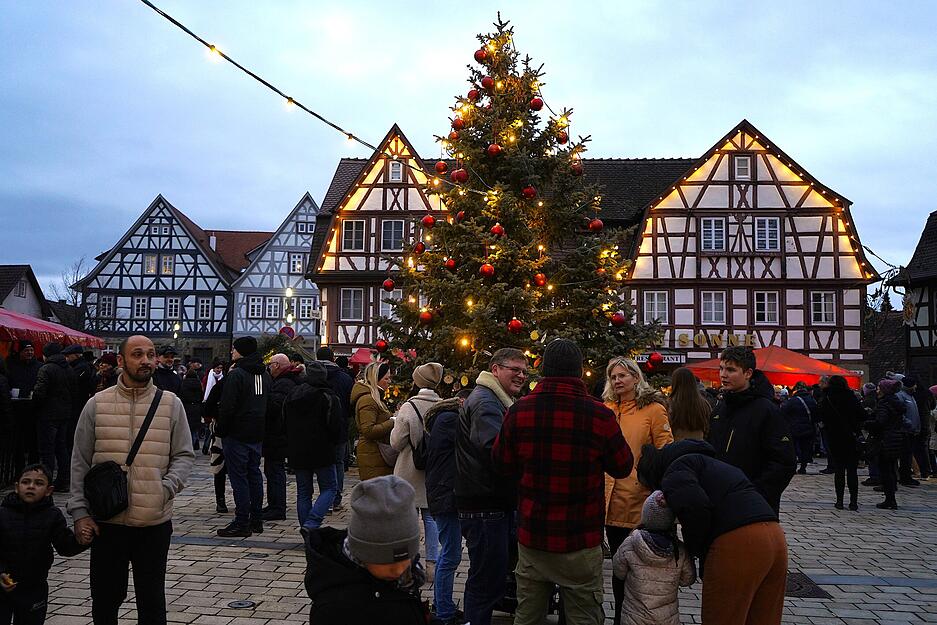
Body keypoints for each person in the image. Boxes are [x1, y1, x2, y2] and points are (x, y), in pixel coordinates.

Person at [494, 339, 634, 625]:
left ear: (543, 370)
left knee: (528, 615)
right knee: (584, 615)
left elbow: (500, 464)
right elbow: (623, 466)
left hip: (534, 535)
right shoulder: (600, 415)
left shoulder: (519, 411)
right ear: (580, 372)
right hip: (580, 538)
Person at [68, 334, 195, 625]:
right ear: (122, 360)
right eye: (137, 355)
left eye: (150, 354)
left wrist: (165, 489)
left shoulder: (171, 404)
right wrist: (79, 513)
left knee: (152, 602)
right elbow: (79, 461)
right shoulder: (97, 404)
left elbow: (184, 455)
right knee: (105, 600)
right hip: (107, 521)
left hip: (153, 522)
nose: (146, 361)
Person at [638, 440, 786, 625]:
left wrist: (694, 550)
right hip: (775, 536)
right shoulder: (710, 464)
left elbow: (695, 508)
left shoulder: (676, 471)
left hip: (738, 543)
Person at [455, 348, 526, 625]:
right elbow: (492, 448)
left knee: (487, 578)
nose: (521, 375)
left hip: (487, 502)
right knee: (486, 582)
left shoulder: (494, 398)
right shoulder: (487, 402)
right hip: (485, 504)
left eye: (524, 370)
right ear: (496, 369)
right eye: (514, 369)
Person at [601, 356, 672, 625]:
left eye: (622, 375)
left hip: (639, 501)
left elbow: (666, 451)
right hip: (610, 501)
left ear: (635, 377)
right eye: (613, 377)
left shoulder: (653, 410)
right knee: (618, 570)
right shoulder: (607, 409)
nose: (617, 381)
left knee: (639, 572)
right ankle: (620, 617)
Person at [301, 475, 428, 625]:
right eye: (388, 562)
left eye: (405, 558)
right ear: (363, 553)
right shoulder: (335, 607)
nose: (399, 570)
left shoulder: (408, 579)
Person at [707, 346, 796, 514]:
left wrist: (754, 493)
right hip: (719, 500)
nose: (723, 375)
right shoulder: (721, 408)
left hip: (753, 506)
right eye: (721, 368)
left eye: (731, 370)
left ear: (747, 373)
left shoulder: (766, 410)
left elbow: (784, 462)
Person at [0, 464, 87, 625]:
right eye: (26, 482)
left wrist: (82, 540)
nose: (31, 486)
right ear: (17, 487)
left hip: (34, 585)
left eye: (39, 483)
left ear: (49, 490)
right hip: (4, 583)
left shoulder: (52, 515)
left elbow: (65, 546)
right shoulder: (4, 513)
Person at [611, 491, 696, 625]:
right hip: (667, 619)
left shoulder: (630, 543)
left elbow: (618, 572)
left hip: (634, 618)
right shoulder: (679, 550)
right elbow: (688, 579)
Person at [215, 336, 271, 537]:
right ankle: (256, 519)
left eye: (234, 349)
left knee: (239, 477)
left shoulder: (237, 374)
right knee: (254, 474)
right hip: (257, 431)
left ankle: (241, 521)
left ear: (242, 351)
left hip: (237, 432)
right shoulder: (264, 374)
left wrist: (221, 429)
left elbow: (228, 405)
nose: (231, 352)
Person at [391, 363, 444, 576]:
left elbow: (396, 442)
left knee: (408, 518)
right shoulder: (442, 405)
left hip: (408, 470)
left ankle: (409, 563)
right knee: (431, 518)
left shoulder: (408, 407)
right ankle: (433, 564)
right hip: (433, 470)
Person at [424, 390, 471, 625]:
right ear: (463, 402)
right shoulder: (451, 420)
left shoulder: (444, 418)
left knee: (450, 552)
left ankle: (445, 606)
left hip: (442, 491)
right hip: (446, 494)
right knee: (451, 553)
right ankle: (443, 611)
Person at [285, 361, 343, 530]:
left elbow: (284, 420)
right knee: (330, 488)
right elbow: (335, 426)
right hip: (322, 449)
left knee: (303, 492)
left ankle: (307, 528)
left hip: (298, 449)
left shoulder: (293, 394)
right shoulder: (329, 397)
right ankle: (312, 522)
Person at [260, 354, 300, 522]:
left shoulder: (283, 383)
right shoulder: (285, 381)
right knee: (272, 470)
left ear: (277, 366)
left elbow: (276, 407)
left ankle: (277, 507)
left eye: (270, 364)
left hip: (278, 434)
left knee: (275, 471)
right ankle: (273, 504)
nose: (269, 367)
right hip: (278, 434)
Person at [31, 342, 74, 492]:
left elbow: (39, 392)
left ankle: (46, 481)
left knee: (47, 450)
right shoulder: (68, 368)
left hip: (47, 414)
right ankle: (63, 480)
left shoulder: (46, 368)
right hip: (64, 413)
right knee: (61, 448)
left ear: (46, 354)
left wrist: (34, 403)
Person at [315, 346, 354, 510]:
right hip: (340, 425)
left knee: (320, 462)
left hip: (317, 428)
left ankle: (324, 496)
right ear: (333, 359)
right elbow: (351, 404)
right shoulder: (345, 379)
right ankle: (335, 497)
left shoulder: (312, 376)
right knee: (338, 462)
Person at [818, 375, 865, 510]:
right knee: (852, 470)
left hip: (834, 437)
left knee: (839, 470)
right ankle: (853, 502)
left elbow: (821, 416)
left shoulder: (827, 399)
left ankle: (839, 501)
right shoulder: (850, 397)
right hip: (851, 437)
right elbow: (862, 415)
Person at [866, 379, 906, 510]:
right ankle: (891, 497)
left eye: (879, 388)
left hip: (885, 440)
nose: (877, 391)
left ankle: (890, 499)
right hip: (896, 439)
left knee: (885, 470)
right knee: (891, 468)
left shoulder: (884, 404)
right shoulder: (896, 402)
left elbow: (881, 422)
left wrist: (867, 423)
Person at [352, 361, 395, 481]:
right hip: (372, 454)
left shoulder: (375, 398)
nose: (389, 382)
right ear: (377, 379)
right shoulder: (368, 400)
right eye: (386, 378)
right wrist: (392, 421)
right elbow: (368, 430)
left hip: (375, 454)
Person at [7, 341, 42, 475]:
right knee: (18, 443)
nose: (30, 353)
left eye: (32, 350)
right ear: (20, 352)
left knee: (33, 442)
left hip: (33, 409)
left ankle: (33, 469)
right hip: (17, 409)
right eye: (27, 351)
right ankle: (19, 471)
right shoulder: (12, 366)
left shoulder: (39, 366)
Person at [203, 367, 229, 513]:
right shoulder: (253, 382)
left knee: (219, 468)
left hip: (221, 432)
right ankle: (242, 500)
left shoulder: (222, 385)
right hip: (241, 433)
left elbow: (208, 408)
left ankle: (221, 500)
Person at [781, 382, 818, 474]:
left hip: (794, 428)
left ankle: (793, 467)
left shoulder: (793, 400)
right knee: (805, 448)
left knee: (793, 449)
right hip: (809, 428)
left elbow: (783, 412)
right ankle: (803, 467)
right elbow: (816, 414)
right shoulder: (812, 400)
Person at [667, 367, 710, 441]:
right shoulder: (704, 404)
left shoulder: (669, 404)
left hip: (677, 447)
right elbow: (708, 427)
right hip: (700, 446)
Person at [903, 376, 934, 480]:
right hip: (925, 423)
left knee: (917, 449)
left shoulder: (912, 395)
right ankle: (926, 471)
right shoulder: (927, 393)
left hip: (915, 423)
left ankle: (922, 471)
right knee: (924, 448)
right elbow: (933, 405)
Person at [895, 378, 921, 487]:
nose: (915, 387)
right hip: (904, 431)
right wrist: (907, 424)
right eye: (914, 385)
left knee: (908, 455)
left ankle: (906, 476)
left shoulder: (910, 396)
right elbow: (900, 414)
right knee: (905, 456)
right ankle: (904, 477)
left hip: (912, 431)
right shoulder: (901, 396)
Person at [179, 361, 205, 451]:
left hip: (187, 407)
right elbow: (202, 396)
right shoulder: (198, 384)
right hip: (196, 408)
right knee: (194, 429)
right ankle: (194, 445)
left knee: (187, 428)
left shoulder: (184, 384)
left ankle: (188, 447)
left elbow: (181, 395)